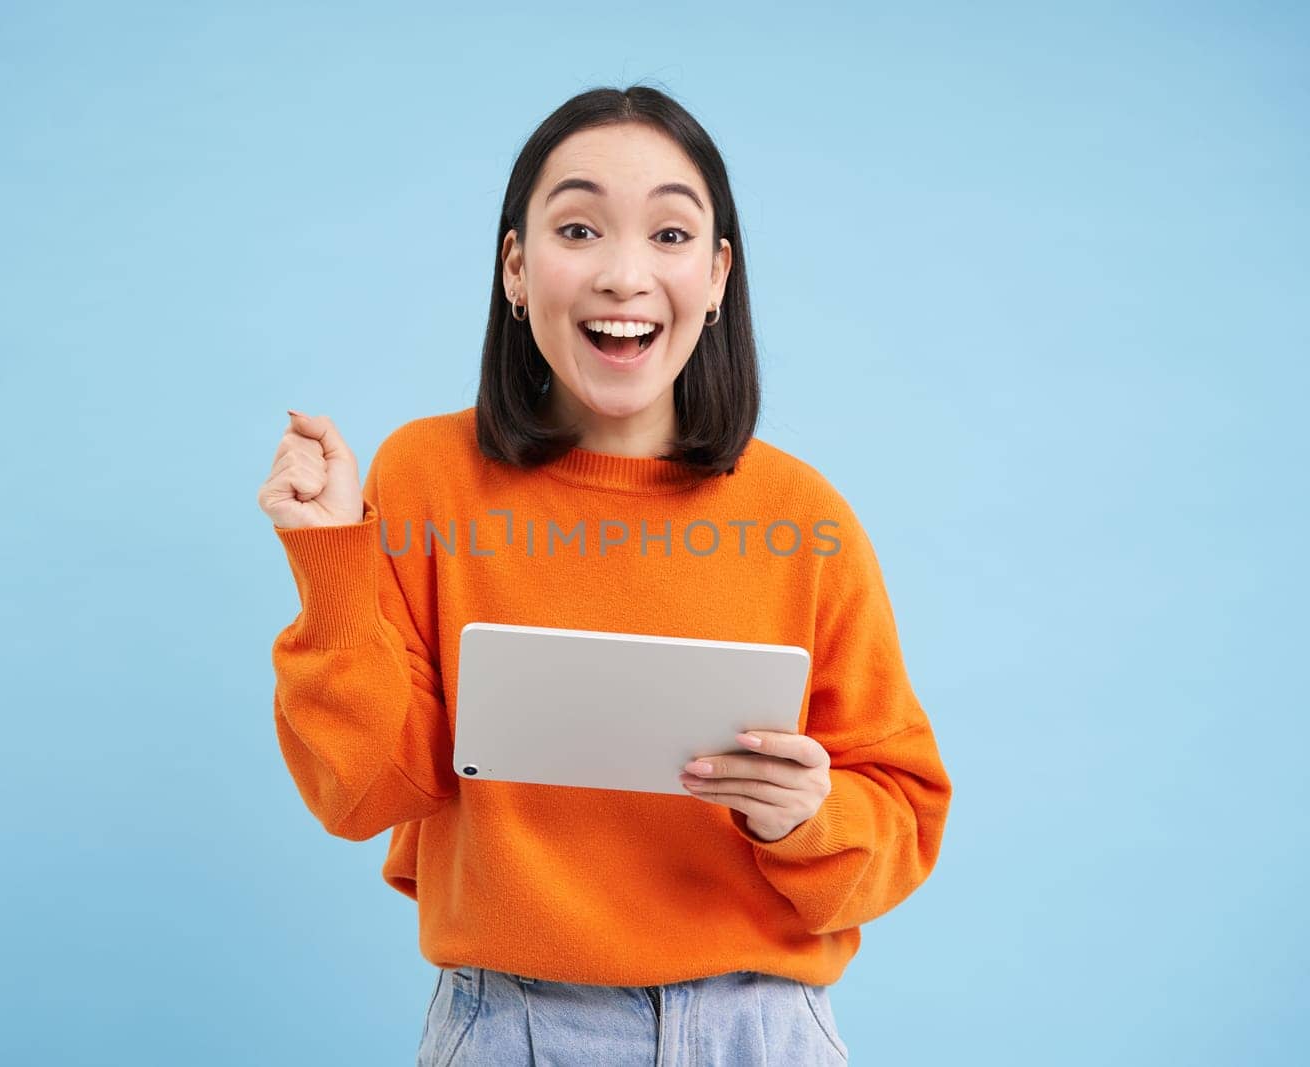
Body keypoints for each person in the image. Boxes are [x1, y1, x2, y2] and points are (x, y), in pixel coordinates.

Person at [257, 84, 952, 1066]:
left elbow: (901, 817)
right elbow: (364, 790)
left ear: (716, 278)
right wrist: (330, 561)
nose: (625, 274)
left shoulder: (803, 517)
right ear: (515, 267)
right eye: (578, 227)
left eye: (670, 236)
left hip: (758, 1027)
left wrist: (809, 813)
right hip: (516, 1026)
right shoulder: (425, 478)